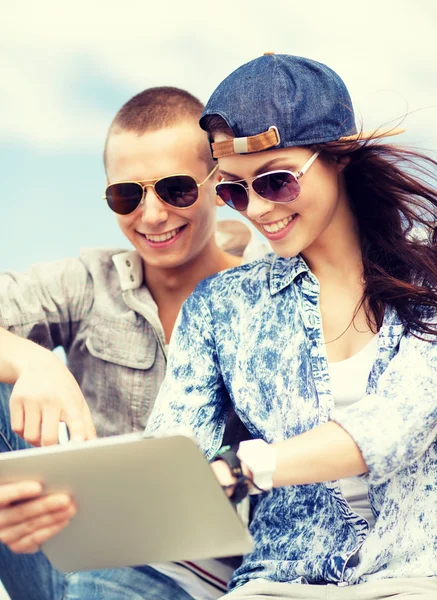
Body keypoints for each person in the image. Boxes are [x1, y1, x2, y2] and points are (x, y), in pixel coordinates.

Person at [144, 53, 437, 599]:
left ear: (338, 157)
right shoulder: (219, 308)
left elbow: (398, 419)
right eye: (231, 190)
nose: (254, 208)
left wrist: (244, 467)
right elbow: (172, 449)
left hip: (418, 575)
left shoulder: (431, 275)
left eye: (275, 181)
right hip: (279, 583)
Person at [0, 86, 266, 599]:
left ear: (217, 182)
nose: (151, 215)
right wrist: (35, 362)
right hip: (73, 552)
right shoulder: (88, 282)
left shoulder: (268, 295)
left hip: (201, 575)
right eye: (127, 195)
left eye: (176, 189)